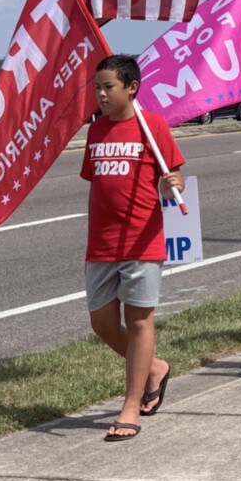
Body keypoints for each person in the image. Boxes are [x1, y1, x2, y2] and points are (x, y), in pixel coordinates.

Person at [80, 54, 186, 441]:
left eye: (108, 87)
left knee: (140, 320)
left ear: (131, 88)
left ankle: (130, 405)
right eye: (97, 88)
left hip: (142, 239)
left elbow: (174, 179)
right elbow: (96, 186)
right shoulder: (95, 132)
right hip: (102, 244)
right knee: (102, 322)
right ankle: (155, 367)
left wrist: (171, 183)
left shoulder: (152, 125)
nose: (102, 95)